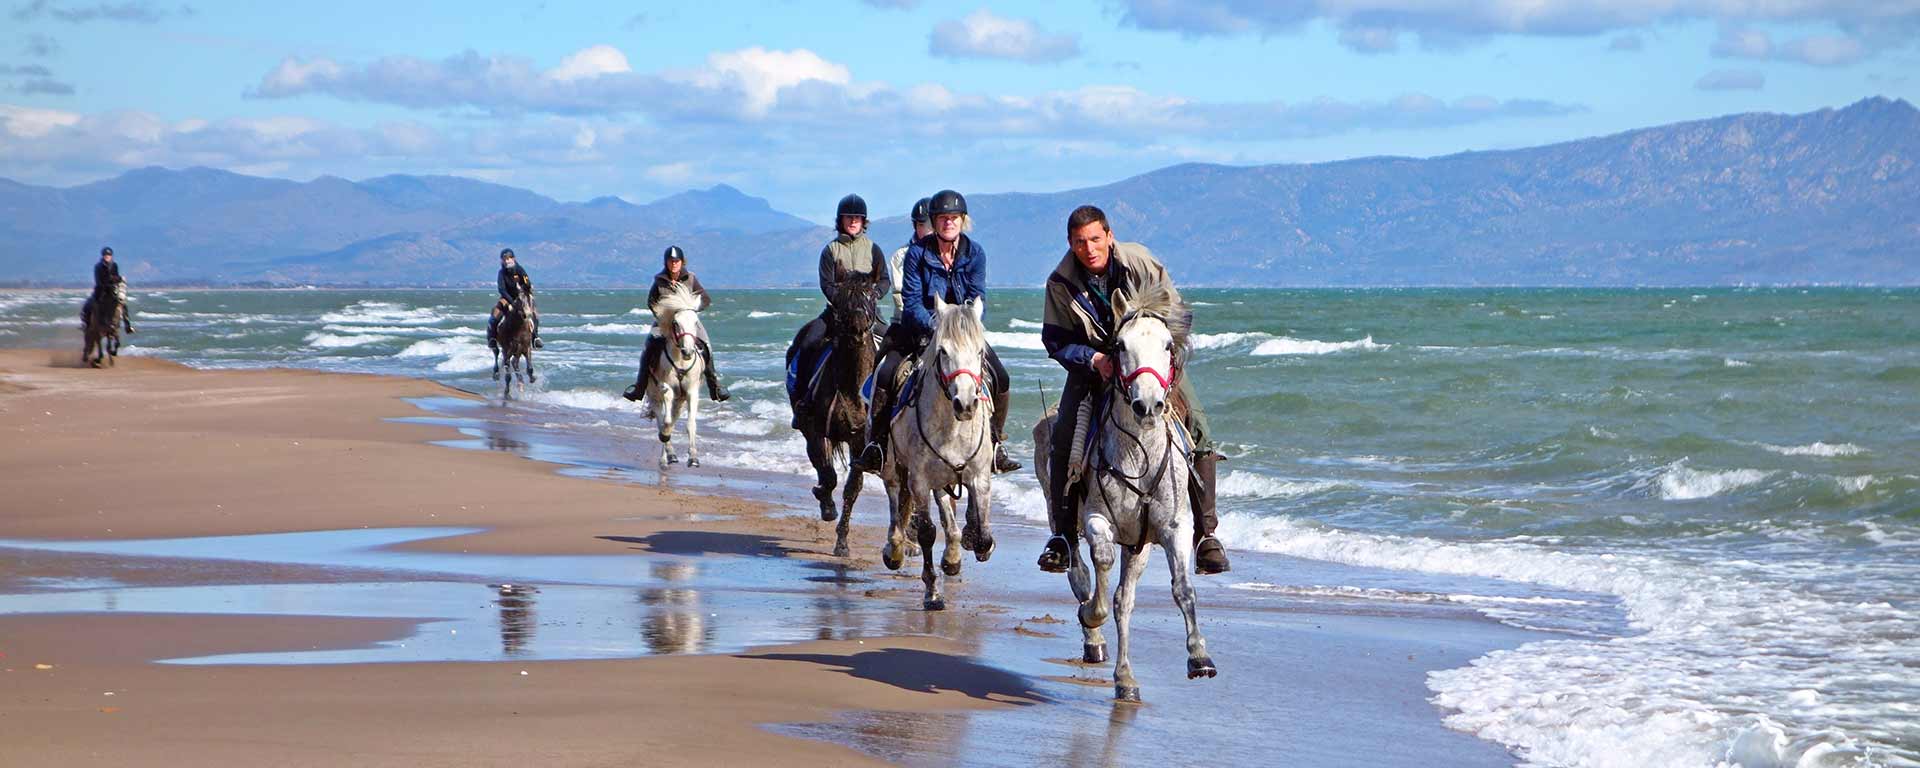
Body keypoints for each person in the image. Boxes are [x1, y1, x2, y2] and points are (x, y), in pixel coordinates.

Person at [1037, 205, 1231, 575]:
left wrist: (1157, 354)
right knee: (1063, 437)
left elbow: (1178, 314)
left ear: (1109, 236)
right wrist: (1093, 358)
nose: (1088, 248)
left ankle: (1206, 536)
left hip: (1147, 361)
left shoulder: (1141, 262)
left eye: (1095, 239)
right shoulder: (1059, 283)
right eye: (1080, 242)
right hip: (1095, 366)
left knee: (1200, 428)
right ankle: (1062, 536)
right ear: (1070, 243)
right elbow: (1055, 340)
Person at [853, 189, 1020, 475]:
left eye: (954, 218)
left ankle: (995, 444)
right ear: (934, 221)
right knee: (886, 374)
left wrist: (964, 328)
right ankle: (877, 446)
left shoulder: (975, 253)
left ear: (962, 220)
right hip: (921, 330)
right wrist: (936, 325)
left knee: (1001, 377)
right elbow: (912, 299)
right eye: (943, 218)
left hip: (961, 335)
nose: (948, 223)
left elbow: (978, 296)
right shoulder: (918, 253)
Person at [785, 194, 890, 429]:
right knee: (807, 343)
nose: (853, 221)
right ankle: (801, 401)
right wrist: (846, 304)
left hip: (868, 314)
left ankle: (889, 404)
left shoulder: (874, 250)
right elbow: (827, 284)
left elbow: (884, 281)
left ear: (864, 221)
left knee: (893, 344)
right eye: (848, 217)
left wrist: (871, 297)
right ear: (840, 220)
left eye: (857, 217)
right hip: (836, 315)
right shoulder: (830, 250)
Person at [623, 245, 730, 409]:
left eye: (676, 261)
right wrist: (662, 316)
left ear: (682, 262)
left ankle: (715, 387)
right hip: (665, 322)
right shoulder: (659, 281)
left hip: (687, 321)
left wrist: (692, 309)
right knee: (648, 348)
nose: (674, 264)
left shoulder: (690, 278)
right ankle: (639, 387)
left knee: (706, 345)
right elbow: (651, 301)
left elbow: (705, 298)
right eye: (671, 261)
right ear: (666, 263)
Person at [488, 248, 542, 350]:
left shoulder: (520, 269)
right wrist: (511, 303)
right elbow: (501, 289)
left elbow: (527, 282)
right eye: (504, 259)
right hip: (507, 298)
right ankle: (493, 338)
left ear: (513, 259)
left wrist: (526, 289)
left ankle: (535, 337)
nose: (507, 261)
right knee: (494, 316)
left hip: (521, 297)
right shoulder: (501, 273)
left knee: (534, 313)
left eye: (509, 258)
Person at [80, 246, 134, 334]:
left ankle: (128, 326)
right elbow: (99, 280)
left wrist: (119, 279)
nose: (107, 257)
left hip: (112, 289)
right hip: (101, 290)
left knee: (123, 304)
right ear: (103, 256)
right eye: (105, 255)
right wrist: (111, 280)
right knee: (88, 305)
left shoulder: (114, 265)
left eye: (108, 255)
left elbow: (116, 277)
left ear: (111, 256)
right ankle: (86, 324)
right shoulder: (98, 266)